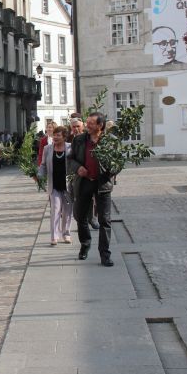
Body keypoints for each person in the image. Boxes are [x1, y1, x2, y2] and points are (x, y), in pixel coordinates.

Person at [67, 112, 114, 267]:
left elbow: (118, 163)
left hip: (102, 184)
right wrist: (78, 168)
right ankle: (85, 245)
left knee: (105, 221)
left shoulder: (110, 141)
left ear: (100, 126)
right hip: (84, 183)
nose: (87, 125)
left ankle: (105, 254)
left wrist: (108, 172)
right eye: (86, 122)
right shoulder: (79, 140)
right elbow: (70, 159)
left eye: (91, 123)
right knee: (81, 218)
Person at [38, 126, 73, 245]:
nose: (55, 137)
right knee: (55, 210)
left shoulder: (70, 148)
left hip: (67, 185)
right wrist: (39, 175)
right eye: (54, 135)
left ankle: (66, 234)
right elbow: (43, 165)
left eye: (58, 135)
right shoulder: (47, 148)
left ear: (64, 136)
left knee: (68, 211)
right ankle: (54, 236)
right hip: (54, 184)